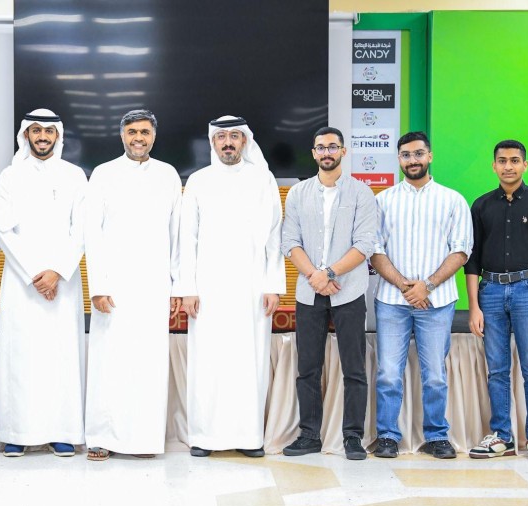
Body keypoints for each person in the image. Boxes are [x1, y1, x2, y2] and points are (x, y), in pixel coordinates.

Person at [176, 115, 285, 458]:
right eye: (221, 137)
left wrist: (273, 285)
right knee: (208, 362)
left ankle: (249, 437)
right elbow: (187, 238)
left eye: (234, 136)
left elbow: (274, 236)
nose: (227, 143)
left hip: (252, 286)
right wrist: (187, 288)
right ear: (213, 142)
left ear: (244, 141)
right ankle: (204, 437)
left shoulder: (263, 179)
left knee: (248, 361)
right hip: (208, 287)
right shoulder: (198, 181)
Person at [83, 110, 182, 461]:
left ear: (153, 136)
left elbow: (176, 235)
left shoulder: (168, 174)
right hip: (114, 285)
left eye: (144, 132)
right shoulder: (103, 173)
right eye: (132, 132)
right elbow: (92, 233)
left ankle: (143, 440)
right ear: (122, 135)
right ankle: (101, 437)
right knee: (108, 362)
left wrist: (176, 286)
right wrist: (98, 285)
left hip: (154, 284)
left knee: (147, 362)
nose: (138, 138)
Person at [369, 131, 472, 460]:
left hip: (437, 303)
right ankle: (387, 436)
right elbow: (374, 250)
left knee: (435, 375)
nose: (412, 160)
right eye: (405, 155)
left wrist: (426, 285)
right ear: (399, 159)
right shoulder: (383, 201)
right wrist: (405, 286)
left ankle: (437, 435)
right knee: (388, 373)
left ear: (430, 156)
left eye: (418, 154)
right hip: (392, 301)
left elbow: (461, 251)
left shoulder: (453, 200)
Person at [0, 109, 87, 458]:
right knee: (21, 355)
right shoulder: (10, 175)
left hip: (62, 284)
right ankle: (17, 432)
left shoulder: (74, 175)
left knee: (60, 355)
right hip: (23, 283)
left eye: (49, 131)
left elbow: (81, 228)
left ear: (58, 136)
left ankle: (62, 431)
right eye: (36, 130)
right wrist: (36, 273)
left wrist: (57, 272)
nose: (43, 136)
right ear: (26, 135)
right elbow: (3, 229)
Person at [280, 127, 378, 460]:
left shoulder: (362, 193)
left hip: (348, 291)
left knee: (354, 368)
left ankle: (353, 437)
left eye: (332, 147)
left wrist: (330, 273)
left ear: (343, 152)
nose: (326, 152)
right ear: (313, 153)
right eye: (320, 147)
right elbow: (289, 241)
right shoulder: (298, 193)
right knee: (308, 368)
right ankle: (309, 435)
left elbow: (364, 244)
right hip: (309, 293)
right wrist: (315, 276)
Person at [465, 139, 528, 463]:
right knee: (497, 368)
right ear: (494, 166)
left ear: (525, 165)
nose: (508, 166)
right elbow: (472, 261)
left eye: (515, 160)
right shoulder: (481, 206)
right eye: (503, 160)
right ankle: (501, 436)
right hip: (490, 292)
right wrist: (474, 307)